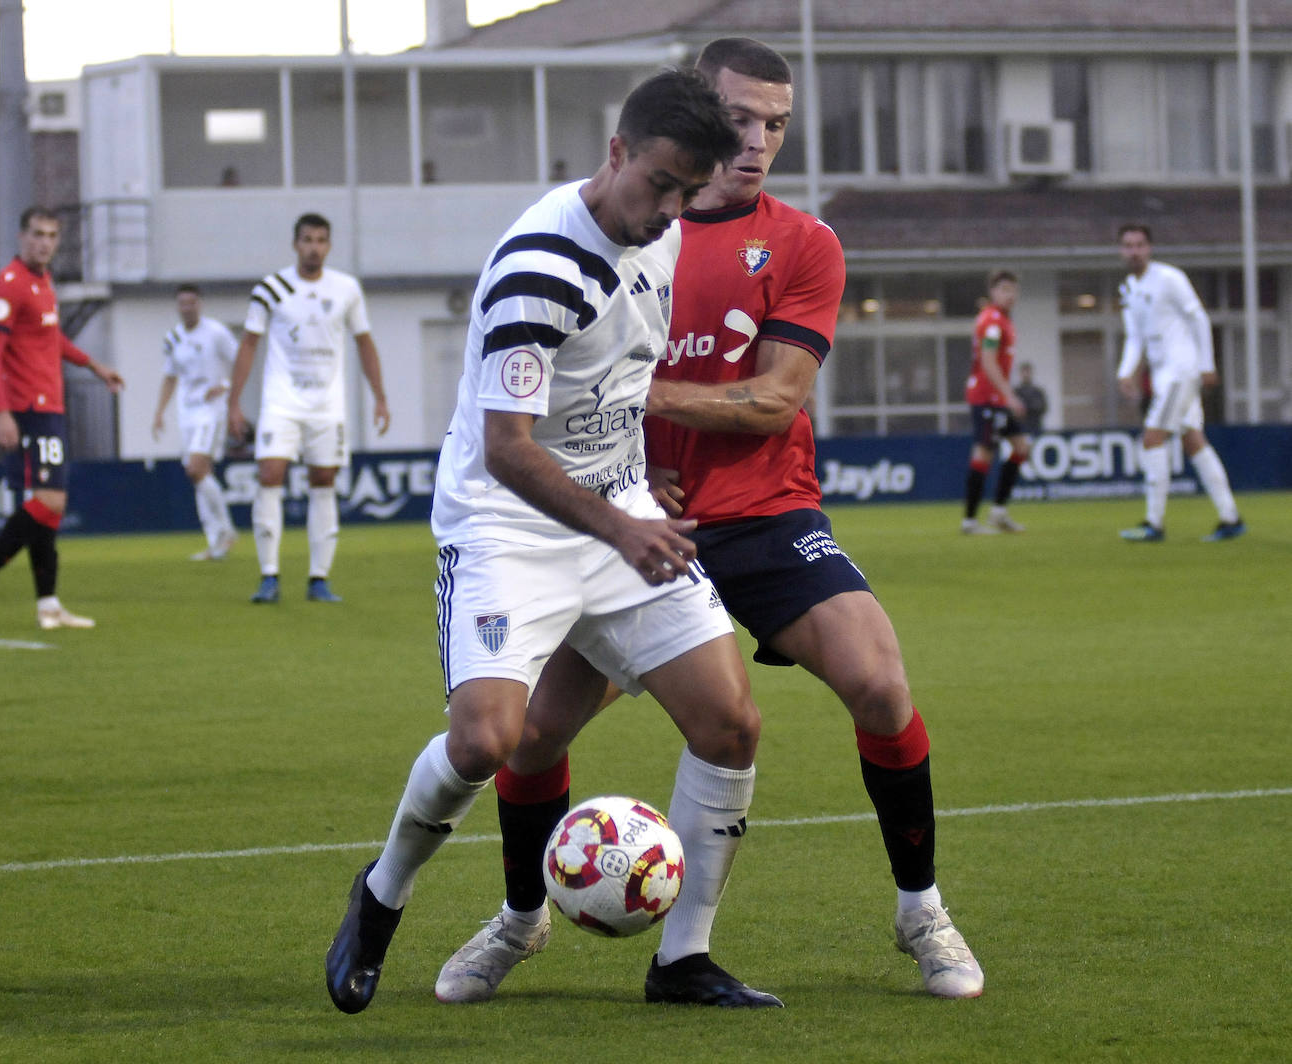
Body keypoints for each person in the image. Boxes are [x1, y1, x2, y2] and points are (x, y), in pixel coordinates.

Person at [437, 39, 983, 1006]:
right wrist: (624, 479)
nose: (758, 142)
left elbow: (775, 402)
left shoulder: (805, 244)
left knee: (881, 685)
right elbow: (541, 395)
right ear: (689, 111)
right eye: (740, 119)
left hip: (766, 515)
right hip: (631, 528)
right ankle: (521, 921)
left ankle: (921, 910)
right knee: (528, 740)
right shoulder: (619, 230)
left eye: (777, 124)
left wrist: (642, 405)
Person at [323, 69, 777, 1014]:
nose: (667, 211)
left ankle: (683, 959)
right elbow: (507, 449)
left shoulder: (667, 233)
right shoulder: (536, 266)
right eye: (657, 184)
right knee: (488, 742)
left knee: (730, 723)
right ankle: (381, 895)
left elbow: (619, 374)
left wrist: (634, 473)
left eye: (686, 194)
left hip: (615, 504)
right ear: (614, 153)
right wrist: (624, 524)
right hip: (508, 522)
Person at [0, 207, 125, 634]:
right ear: (21, 236)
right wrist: (2, 410)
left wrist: (94, 365)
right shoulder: (9, 285)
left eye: (51, 235)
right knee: (51, 503)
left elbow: (51, 337)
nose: (44, 243)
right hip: (29, 408)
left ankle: (48, 605)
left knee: (47, 513)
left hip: (50, 405)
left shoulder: (43, 281)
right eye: (36, 234)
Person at [227, 213, 391, 603]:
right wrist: (234, 403)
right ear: (295, 244)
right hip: (281, 402)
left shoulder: (346, 289)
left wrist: (380, 396)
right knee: (269, 474)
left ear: (329, 245)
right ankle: (269, 575)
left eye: (320, 240)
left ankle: (319, 578)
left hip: (326, 405)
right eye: (307, 240)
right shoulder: (272, 288)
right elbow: (249, 345)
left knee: (323, 481)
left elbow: (364, 342)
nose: (313, 247)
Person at [1116, 224, 1244, 543]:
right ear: (1121, 250)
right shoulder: (1130, 288)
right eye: (1128, 246)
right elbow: (1135, 336)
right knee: (1193, 441)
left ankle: (1153, 524)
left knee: (1152, 438)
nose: (1134, 251)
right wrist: (1125, 371)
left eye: (1140, 245)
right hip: (1163, 375)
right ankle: (1231, 518)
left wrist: (1206, 365)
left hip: (1180, 371)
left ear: (1150, 247)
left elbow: (1198, 317)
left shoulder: (1169, 279)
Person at [151, 284, 239, 561]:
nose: (187, 308)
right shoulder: (173, 338)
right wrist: (159, 411)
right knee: (201, 476)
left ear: (200, 304)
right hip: (186, 413)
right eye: (182, 303)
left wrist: (225, 385)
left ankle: (227, 530)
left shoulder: (216, 333)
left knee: (195, 468)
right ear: (177, 306)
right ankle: (216, 543)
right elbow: (170, 376)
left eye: (192, 302)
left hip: (211, 411)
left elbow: (241, 361)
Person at [962, 270, 1031, 534]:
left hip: (997, 398)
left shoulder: (1002, 320)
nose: (1009, 295)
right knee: (984, 453)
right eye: (1004, 290)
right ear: (992, 292)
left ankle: (999, 513)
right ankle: (969, 521)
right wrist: (1010, 395)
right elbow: (988, 362)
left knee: (1021, 447)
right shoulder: (992, 322)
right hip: (987, 398)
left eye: (1013, 290)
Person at [1015, 361, 1048, 436]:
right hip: (1020, 428)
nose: (1026, 374)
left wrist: (1026, 407)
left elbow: (1043, 407)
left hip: (1035, 427)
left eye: (1028, 372)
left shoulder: (1038, 391)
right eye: (1024, 372)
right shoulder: (1016, 392)